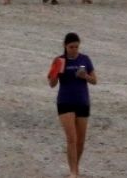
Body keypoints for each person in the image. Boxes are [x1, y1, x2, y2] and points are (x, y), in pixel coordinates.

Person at [47, 32, 97, 178]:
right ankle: (73, 173)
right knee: (71, 138)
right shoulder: (59, 60)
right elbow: (52, 84)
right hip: (65, 101)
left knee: (80, 141)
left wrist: (85, 76)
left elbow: (94, 80)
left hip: (82, 101)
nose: (74, 50)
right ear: (65, 46)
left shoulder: (85, 59)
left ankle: (75, 168)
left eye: (76, 47)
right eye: (71, 47)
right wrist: (56, 73)